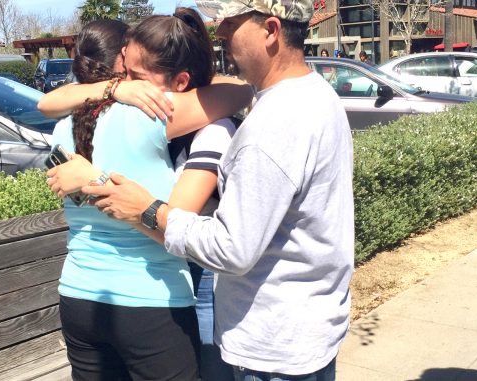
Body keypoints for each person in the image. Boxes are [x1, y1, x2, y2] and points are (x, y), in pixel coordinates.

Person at [70, 0, 354, 379]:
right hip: (303, 328)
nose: (218, 34)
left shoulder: (271, 127)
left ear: (271, 31)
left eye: (230, 23)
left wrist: (146, 209)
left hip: (271, 345)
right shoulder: (315, 95)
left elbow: (231, 248)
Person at [46, 14, 252, 380]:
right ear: (116, 65)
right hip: (150, 301)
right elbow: (241, 90)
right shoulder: (154, 114)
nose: (131, 86)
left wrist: (112, 92)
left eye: (134, 78)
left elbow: (46, 103)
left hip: (78, 295)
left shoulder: (63, 124)